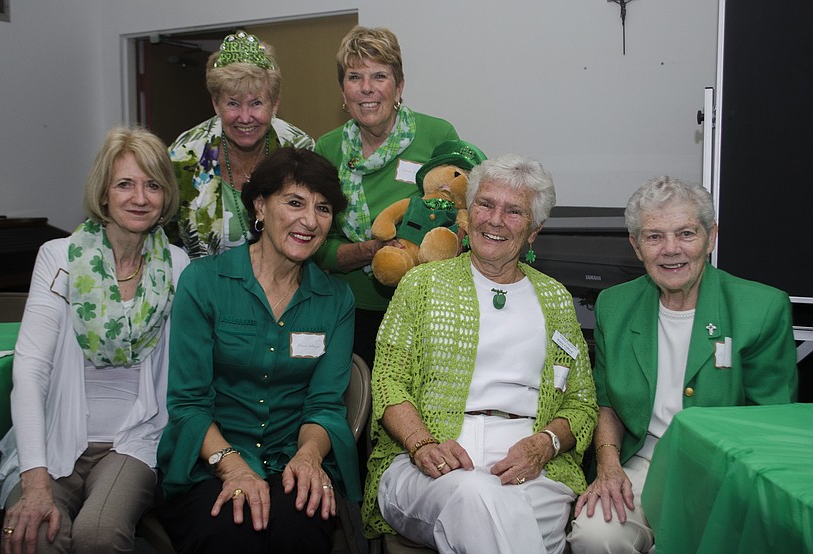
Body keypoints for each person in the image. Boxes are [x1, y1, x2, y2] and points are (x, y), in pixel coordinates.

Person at [362, 154, 599, 553]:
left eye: (513, 211)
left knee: (499, 515)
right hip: (428, 460)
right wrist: (421, 443)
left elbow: (582, 403)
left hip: (531, 464)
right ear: (467, 216)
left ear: (534, 231)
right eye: (485, 204)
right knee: (476, 497)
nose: (494, 219)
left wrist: (545, 446)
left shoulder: (555, 299)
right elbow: (388, 380)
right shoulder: (422, 284)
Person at [567, 177, 798, 554]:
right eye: (654, 237)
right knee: (595, 537)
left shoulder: (761, 309)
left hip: (725, 471)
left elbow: (770, 426)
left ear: (711, 237)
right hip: (641, 461)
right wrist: (609, 465)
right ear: (636, 246)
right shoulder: (614, 305)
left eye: (686, 233)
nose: (670, 250)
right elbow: (606, 401)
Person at [0, 126, 189, 553]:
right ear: (103, 194)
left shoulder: (176, 265)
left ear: (166, 196)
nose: (140, 198)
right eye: (125, 184)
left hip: (135, 439)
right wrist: (35, 481)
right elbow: (30, 371)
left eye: (153, 185)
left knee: (99, 533)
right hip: (55, 435)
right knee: (35, 535)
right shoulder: (59, 257)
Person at [156, 147, 361, 554]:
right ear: (260, 206)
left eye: (323, 208)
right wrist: (233, 468)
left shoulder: (336, 300)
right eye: (294, 202)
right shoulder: (204, 283)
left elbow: (324, 405)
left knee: (296, 533)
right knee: (232, 533)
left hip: (293, 459)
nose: (310, 220)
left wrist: (307, 457)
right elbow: (189, 403)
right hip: (210, 462)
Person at [313, 25, 461, 367]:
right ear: (342, 89)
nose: (367, 88)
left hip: (424, 310)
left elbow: (459, 220)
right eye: (354, 77)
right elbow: (316, 241)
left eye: (379, 76)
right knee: (356, 411)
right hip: (347, 312)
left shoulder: (438, 135)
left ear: (399, 86)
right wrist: (368, 251)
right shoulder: (327, 147)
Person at [168, 30, 314, 259]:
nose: (245, 117)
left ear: (274, 105)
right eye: (233, 103)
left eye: (256, 103)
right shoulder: (184, 154)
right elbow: (161, 234)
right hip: (207, 290)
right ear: (216, 105)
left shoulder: (300, 148)